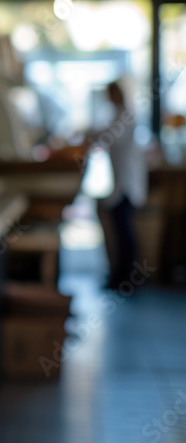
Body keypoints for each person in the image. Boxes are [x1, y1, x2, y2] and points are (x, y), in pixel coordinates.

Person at [96, 80, 147, 289]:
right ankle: (120, 275)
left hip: (127, 183)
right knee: (121, 231)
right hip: (120, 182)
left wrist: (89, 135)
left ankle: (128, 277)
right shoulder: (119, 114)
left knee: (124, 231)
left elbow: (110, 138)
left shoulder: (126, 116)